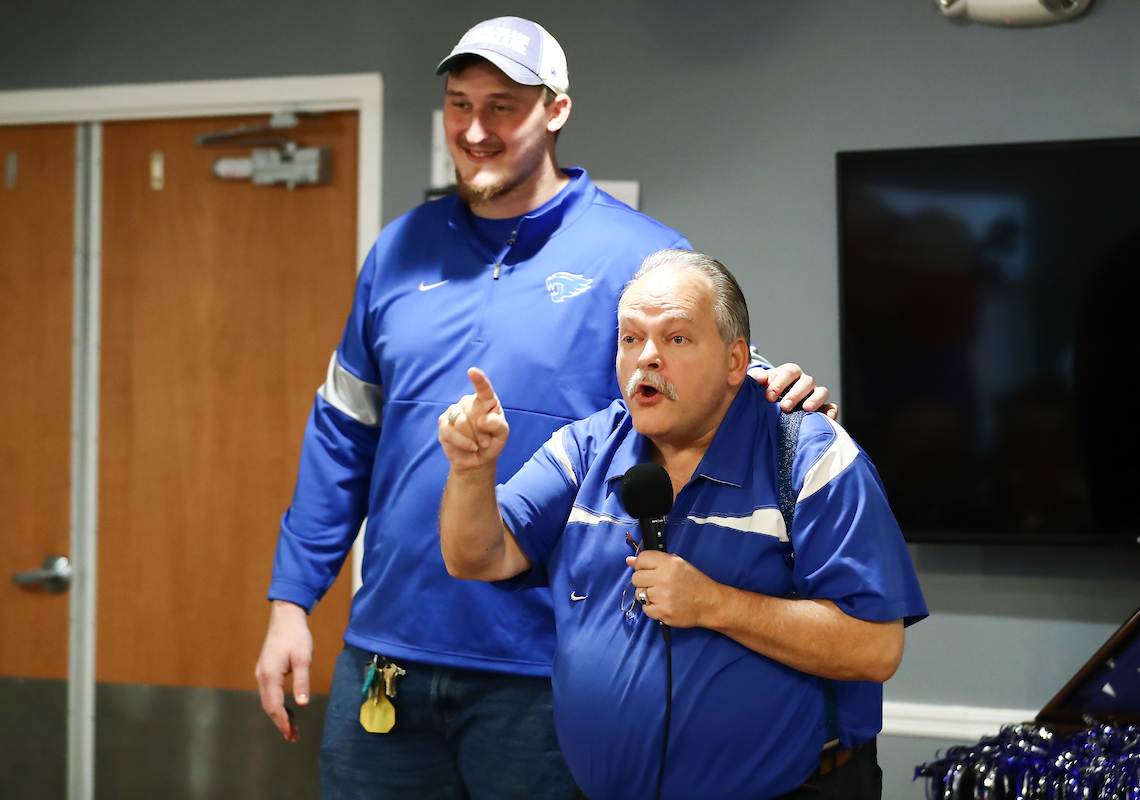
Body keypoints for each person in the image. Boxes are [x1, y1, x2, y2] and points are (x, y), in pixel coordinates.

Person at [254, 16, 833, 800]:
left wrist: (775, 388)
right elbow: (342, 432)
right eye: (459, 105)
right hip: (388, 654)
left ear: (555, 111)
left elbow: (705, 383)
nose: (475, 130)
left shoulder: (636, 253)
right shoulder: (398, 251)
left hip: (550, 666)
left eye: (502, 106)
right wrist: (293, 601)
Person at [438, 249, 927, 800]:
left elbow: (874, 649)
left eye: (676, 339)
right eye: (630, 338)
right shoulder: (586, 449)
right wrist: (471, 472)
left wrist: (715, 604)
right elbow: (476, 556)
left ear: (736, 361)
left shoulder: (811, 457)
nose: (646, 358)